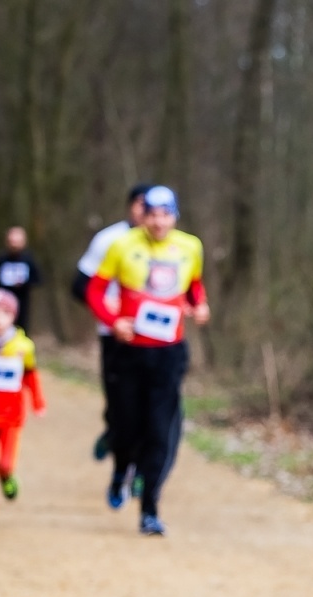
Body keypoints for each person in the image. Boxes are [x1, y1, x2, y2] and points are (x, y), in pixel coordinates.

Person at [84, 185, 208, 536]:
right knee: (126, 426)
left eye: (165, 214)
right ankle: (121, 468)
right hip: (129, 352)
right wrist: (113, 322)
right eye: (152, 214)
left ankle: (150, 507)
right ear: (142, 215)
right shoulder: (122, 245)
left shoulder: (190, 246)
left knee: (159, 430)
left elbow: (194, 286)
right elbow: (94, 289)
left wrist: (199, 306)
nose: (158, 221)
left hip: (169, 353)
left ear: (175, 216)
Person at [73, 183, 151, 471]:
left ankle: (139, 468)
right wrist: (110, 311)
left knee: (150, 408)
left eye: (154, 207)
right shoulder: (110, 239)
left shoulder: (172, 246)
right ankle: (114, 432)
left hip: (156, 339)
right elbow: (80, 285)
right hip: (115, 335)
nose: (147, 213)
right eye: (141, 205)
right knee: (120, 404)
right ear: (130, 206)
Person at [0, 288, 46, 526]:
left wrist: (38, 402)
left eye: (4, 313)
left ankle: (7, 476)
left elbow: (30, 376)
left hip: (11, 416)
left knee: (4, 463)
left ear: (13, 316)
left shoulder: (23, 346)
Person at [0, 226, 42, 331]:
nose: (14, 245)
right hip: (3, 303)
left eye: (17, 242)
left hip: (22, 303)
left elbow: (38, 280)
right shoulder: (1, 260)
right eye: (12, 242)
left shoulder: (28, 260)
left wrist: (24, 283)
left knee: (21, 329)